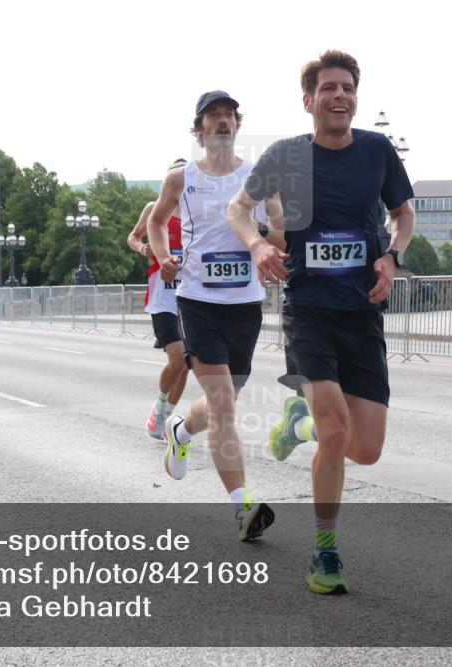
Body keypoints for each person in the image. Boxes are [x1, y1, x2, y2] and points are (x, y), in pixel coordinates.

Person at [227, 50, 416, 594]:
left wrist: (392, 256)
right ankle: (325, 553)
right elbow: (239, 210)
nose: (340, 96)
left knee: (367, 450)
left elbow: (403, 214)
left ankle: (298, 424)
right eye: (329, 88)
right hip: (308, 309)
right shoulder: (287, 155)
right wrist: (259, 244)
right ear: (308, 100)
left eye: (348, 88)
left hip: (362, 313)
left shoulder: (378, 151)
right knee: (336, 430)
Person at [148, 91, 281, 541]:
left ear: (237, 125)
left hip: (245, 303)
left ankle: (180, 429)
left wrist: (265, 239)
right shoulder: (180, 179)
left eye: (228, 115)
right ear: (198, 129)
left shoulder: (259, 179)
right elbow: (154, 221)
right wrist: (163, 254)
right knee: (223, 401)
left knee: (227, 399)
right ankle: (242, 506)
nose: (222, 122)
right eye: (213, 116)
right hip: (197, 300)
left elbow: (281, 229)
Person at [127, 159, 190, 441]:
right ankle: (159, 408)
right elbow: (133, 236)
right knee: (177, 358)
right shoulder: (155, 209)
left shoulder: (195, 210)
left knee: (187, 363)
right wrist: (143, 249)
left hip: (190, 294)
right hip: (162, 294)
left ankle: (165, 419)